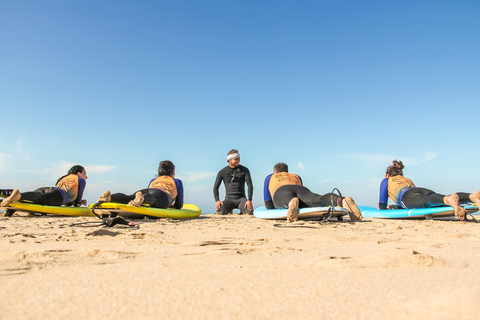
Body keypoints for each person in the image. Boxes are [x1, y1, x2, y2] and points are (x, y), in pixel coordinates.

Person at [378, 160, 480, 221]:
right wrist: (392, 207)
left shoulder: (386, 180)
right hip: (419, 190)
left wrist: (382, 207)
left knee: (427, 201)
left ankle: (450, 200)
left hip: (405, 196)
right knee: (439, 198)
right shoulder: (406, 179)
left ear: (387, 174)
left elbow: (382, 204)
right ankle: (472, 197)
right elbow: (413, 198)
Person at [264, 162, 362, 222]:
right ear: (287, 171)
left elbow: (268, 203)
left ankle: (290, 202)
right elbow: (302, 195)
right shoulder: (296, 176)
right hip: (302, 190)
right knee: (317, 200)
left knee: (287, 198)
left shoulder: (270, 177)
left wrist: (272, 208)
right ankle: (341, 200)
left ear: (275, 171)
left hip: (281, 190)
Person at [97, 160, 183, 209]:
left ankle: (110, 197)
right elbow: (179, 204)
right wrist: (173, 205)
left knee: (129, 198)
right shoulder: (177, 181)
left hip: (146, 190)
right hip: (162, 195)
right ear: (173, 172)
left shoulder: (153, 180)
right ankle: (143, 198)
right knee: (154, 199)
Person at [0, 165, 88, 207]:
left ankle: (3, 194)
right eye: (85, 173)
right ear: (79, 173)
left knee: (33, 196)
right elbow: (76, 200)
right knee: (35, 198)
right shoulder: (80, 180)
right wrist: (79, 202)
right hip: (58, 196)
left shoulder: (64, 178)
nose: (86, 176)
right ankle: (18, 195)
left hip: (49, 189)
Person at [213, 149, 253, 215]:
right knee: (220, 212)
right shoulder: (222, 172)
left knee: (249, 212)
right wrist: (217, 200)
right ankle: (229, 210)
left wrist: (249, 200)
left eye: (239, 159)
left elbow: (250, 185)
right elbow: (215, 187)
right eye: (236, 159)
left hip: (241, 199)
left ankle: (242, 211)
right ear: (229, 160)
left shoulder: (244, 170)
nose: (238, 161)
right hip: (229, 199)